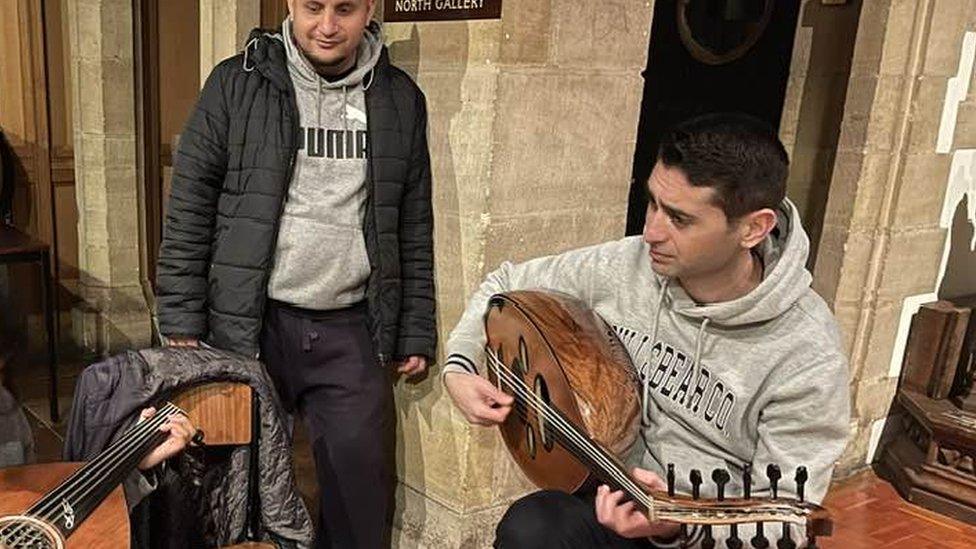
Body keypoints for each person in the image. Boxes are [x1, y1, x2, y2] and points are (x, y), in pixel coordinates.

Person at [442, 113, 850, 547]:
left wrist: (680, 524)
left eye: (680, 218)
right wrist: (459, 367)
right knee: (533, 528)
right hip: (618, 497)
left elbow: (786, 518)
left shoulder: (807, 353)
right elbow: (503, 284)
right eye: (653, 202)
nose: (651, 231)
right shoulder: (629, 263)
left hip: (709, 532)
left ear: (754, 228)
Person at [154, 0, 436, 546]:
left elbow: (412, 223)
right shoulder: (236, 84)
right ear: (290, 4)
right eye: (313, 6)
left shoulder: (400, 99)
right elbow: (189, 205)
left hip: (351, 328)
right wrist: (181, 317)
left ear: (370, 9)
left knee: (361, 495)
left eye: (345, 9)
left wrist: (414, 327)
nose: (327, 26)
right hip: (250, 323)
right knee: (236, 489)